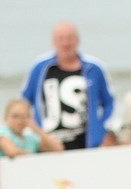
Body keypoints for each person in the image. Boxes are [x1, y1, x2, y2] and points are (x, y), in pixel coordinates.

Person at [21, 22, 115, 150]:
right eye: (61, 39)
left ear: (78, 40)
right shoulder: (40, 68)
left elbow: (109, 102)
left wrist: (102, 128)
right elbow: (24, 101)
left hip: (86, 143)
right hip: (49, 145)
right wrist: (32, 130)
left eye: (70, 38)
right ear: (54, 42)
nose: (66, 43)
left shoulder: (94, 68)